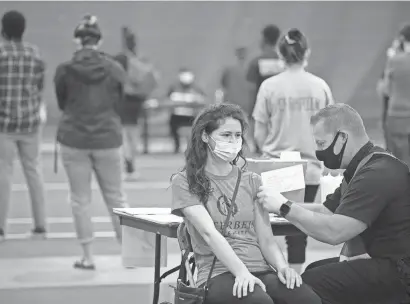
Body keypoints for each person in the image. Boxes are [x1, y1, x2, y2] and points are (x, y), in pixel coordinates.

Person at [258, 103, 410, 304]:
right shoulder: (362, 167)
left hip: (399, 271)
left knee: (308, 284)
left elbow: (334, 232)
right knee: (314, 270)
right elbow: (326, 211)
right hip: (383, 261)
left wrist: (284, 207)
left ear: (342, 137)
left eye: (321, 143)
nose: (318, 151)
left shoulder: (376, 173)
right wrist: (273, 205)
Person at [171, 103, 321, 304]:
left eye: (237, 135)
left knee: (307, 300)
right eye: (226, 135)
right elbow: (209, 233)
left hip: (260, 269)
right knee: (260, 302)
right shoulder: (184, 181)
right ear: (205, 136)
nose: (233, 141)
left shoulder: (252, 180)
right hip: (218, 273)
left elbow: (266, 240)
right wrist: (242, 273)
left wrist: (283, 267)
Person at [253, 28, 334, 273]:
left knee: (264, 225)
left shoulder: (269, 86)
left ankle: (268, 275)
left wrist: (268, 151)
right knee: (299, 227)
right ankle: (296, 279)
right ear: (306, 52)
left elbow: (259, 131)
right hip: (308, 169)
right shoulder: (320, 86)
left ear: (280, 54)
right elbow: (329, 130)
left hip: (274, 167)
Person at [54, 15, 128, 270]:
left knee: (79, 200)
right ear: (99, 40)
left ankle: (87, 256)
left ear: (77, 41)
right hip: (108, 137)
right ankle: (129, 255)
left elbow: (62, 102)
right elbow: (121, 99)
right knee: (117, 198)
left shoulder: (64, 69)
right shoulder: (114, 68)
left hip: (74, 138)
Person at [0, 10, 47, 241]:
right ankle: (40, 226)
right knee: (34, 172)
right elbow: (39, 88)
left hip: (2, 124)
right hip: (30, 123)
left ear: (3, 28)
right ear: (23, 30)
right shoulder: (34, 54)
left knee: (3, 173)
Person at [114, 27, 158, 180]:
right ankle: (129, 163)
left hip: (125, 101)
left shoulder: (122, 59)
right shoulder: (138, 62)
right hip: (135, 101)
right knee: (131, 135)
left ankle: (129, 162)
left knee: (127, 135)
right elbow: (151, 80)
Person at [383, 24, 410, 166]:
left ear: (402, 40)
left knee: (400, 162)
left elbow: (386, 90)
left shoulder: (395, 61)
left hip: (398, 116)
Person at [220, 47, 255, 152]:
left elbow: (224, 84)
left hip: (234, 103)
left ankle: (234, 145)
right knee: (245, 126)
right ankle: (248, 146)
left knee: (232, 125)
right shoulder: (249, 69)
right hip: (246, 103)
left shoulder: (230, 69)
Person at [167, 68, 205, 153]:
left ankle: (194, 146)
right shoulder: (174, 88)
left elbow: (202, 100)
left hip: (191, 115)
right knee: (172, 123)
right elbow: (168, 100)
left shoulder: (196, 89)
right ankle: (177, 145)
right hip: (177, 115)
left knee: (198, 123)